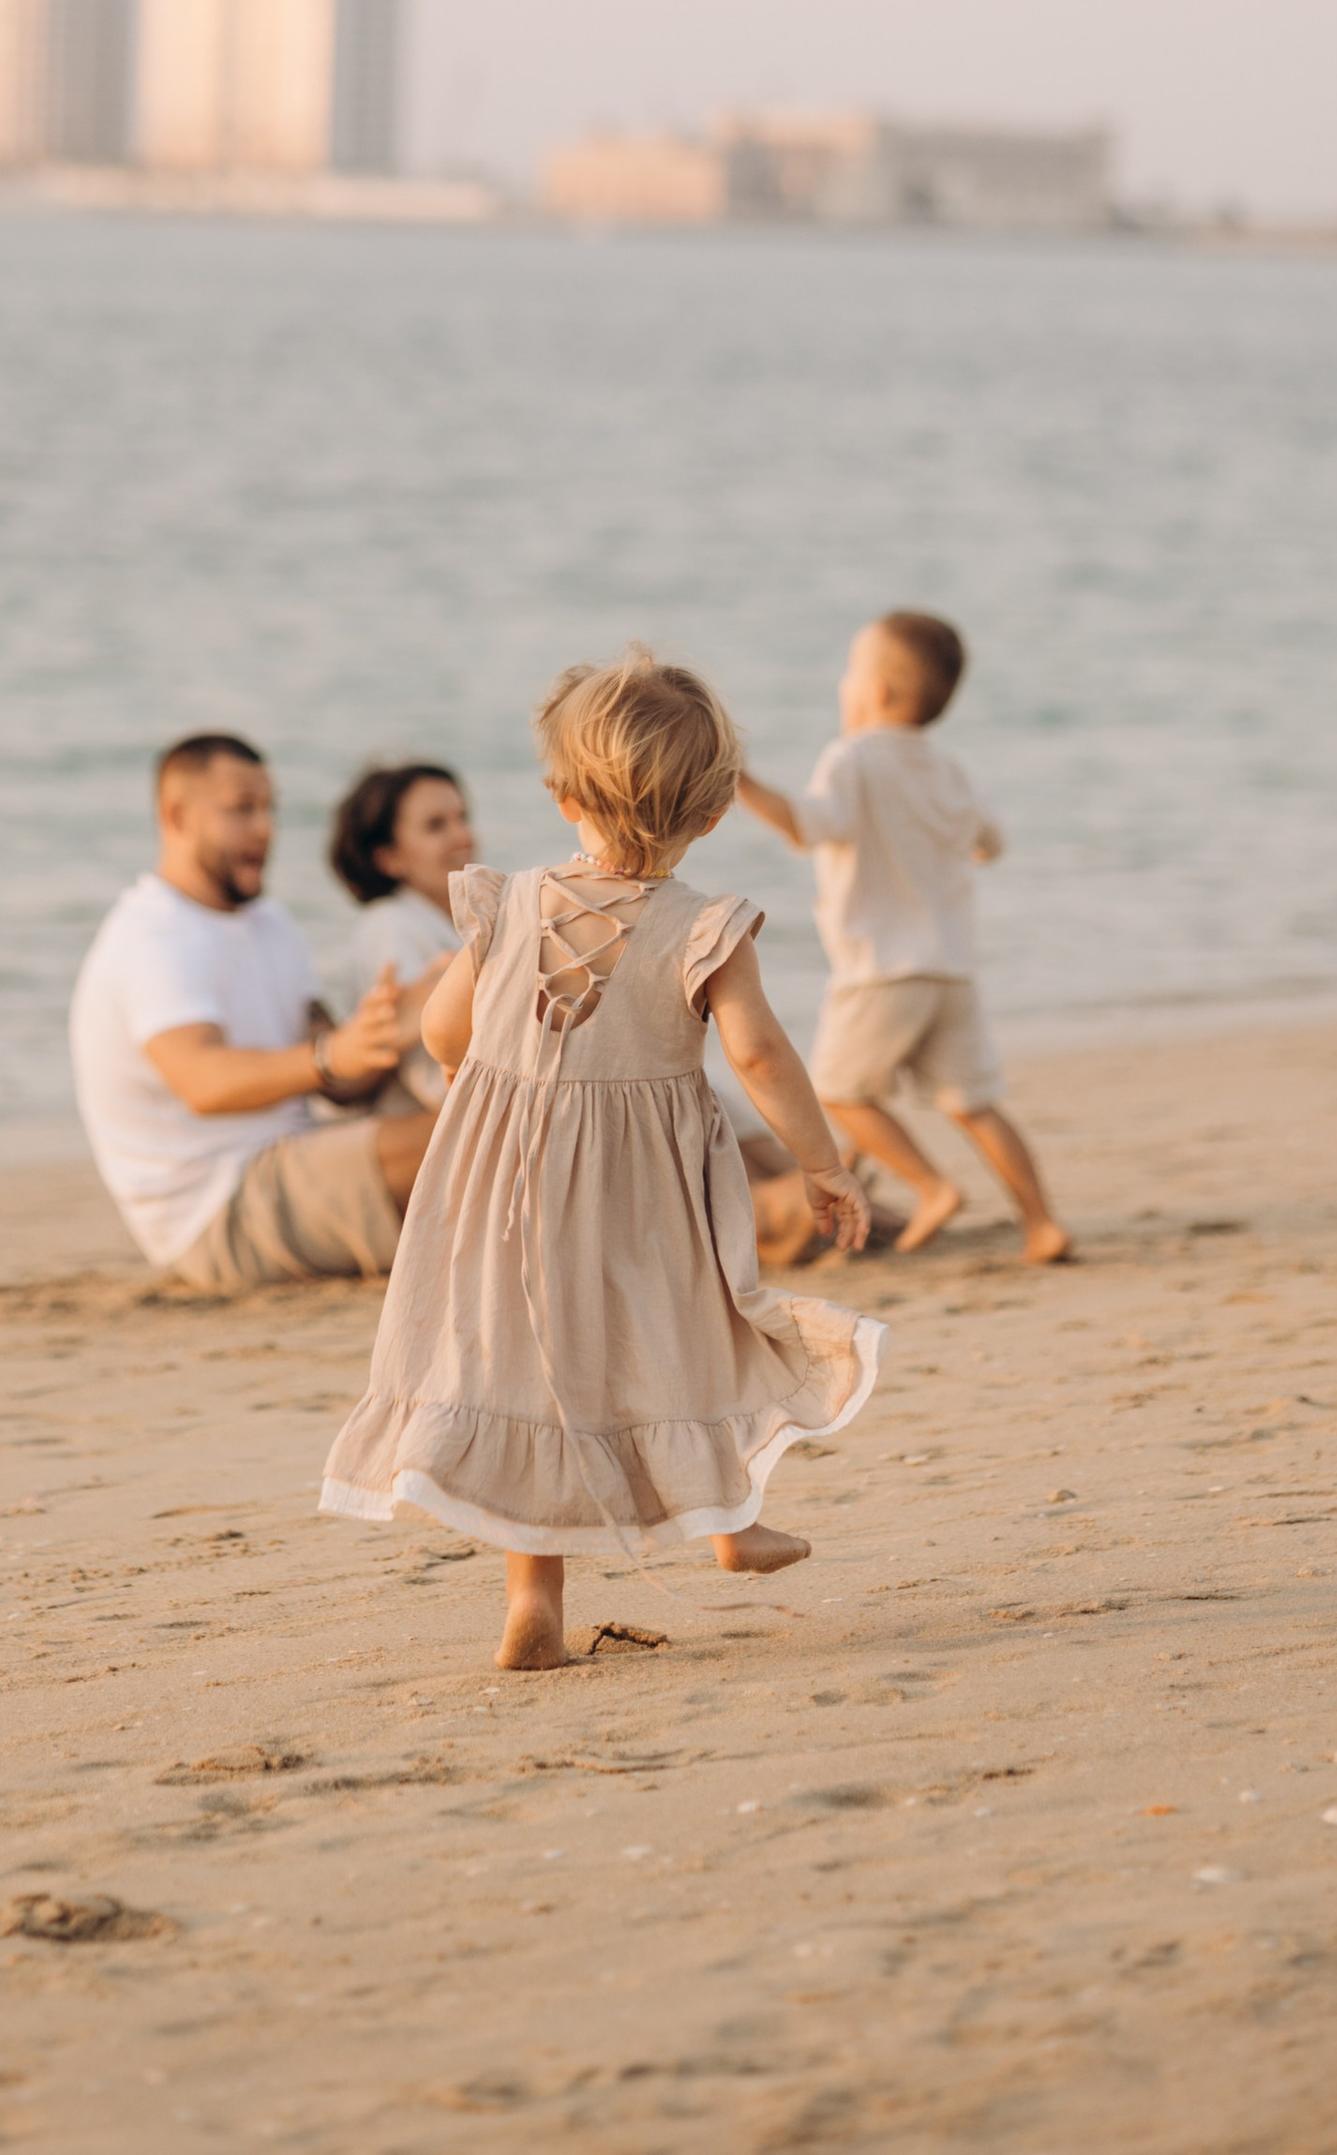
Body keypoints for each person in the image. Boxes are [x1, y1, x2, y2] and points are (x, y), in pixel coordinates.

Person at [319, 649, 881, 1674]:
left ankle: (534, 1598)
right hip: (645, 1192)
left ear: (562, 796)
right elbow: (759, 1055)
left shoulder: (505, 903)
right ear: (713, 814)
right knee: (686, 1333)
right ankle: (728, 1521)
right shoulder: (707, 928)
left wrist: (473, 1084)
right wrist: (822, 1162)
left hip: (506, 1187)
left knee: (533, 1371)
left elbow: (442, 1031)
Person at [737, 611, 1071, 1265]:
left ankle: (932, 1187)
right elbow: (991, 843)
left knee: (838, 1091)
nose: (843, 684)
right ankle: (1042, 1223)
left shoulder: (850, 759)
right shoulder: (947, 767)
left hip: (882, 971)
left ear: (876, 692)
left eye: (850, 671)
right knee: (976, 1104)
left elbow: (806, 824)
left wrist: (740, 781)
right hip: (950, 968)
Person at [69, 731, 431, 1295]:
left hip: (291, 1159)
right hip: (218, 1208)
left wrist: (404, 1020)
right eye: (242, 810)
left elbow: (341, 1081)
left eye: (269, 808)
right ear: (176, 815)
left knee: (493, 1119)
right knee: (483, 1135)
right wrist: (332, 1055)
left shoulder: (270, 924)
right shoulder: (153, 935)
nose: (265, 829)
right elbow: (205, 1083)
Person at [327, 758, 478, 1107]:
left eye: (462, 818)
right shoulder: (391, 926)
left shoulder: (455, 924)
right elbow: (433, 1081)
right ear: (388, 858)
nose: (463, 837)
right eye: (435, 826)